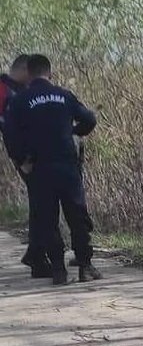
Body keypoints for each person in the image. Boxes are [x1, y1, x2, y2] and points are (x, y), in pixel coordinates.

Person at [3, 54, 102, 286]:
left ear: (29, 73)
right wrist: (73, 132)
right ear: (50, 72)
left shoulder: (20, 99)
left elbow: (10, 134)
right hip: (67, 165)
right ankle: (85, 266)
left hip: (39, 168)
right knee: (76, 215)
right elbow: (89, 119)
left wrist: (21, 159)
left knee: (47, 219)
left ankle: (58, 270)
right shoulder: (64, 95)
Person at [0, 54, 54, 277]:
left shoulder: (16, 90)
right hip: (25, 158)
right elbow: (9, 128)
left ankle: (36, 253)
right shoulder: (4, 90)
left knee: (40, 203)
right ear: (23, 70)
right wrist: (21, 159)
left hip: (33, 155)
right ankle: (37, 255)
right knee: (42, 203)